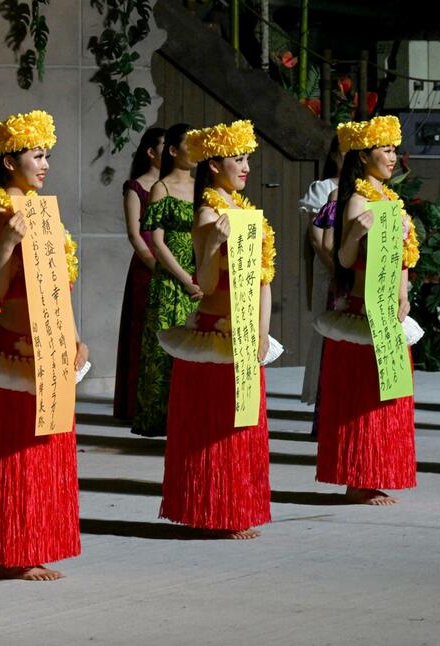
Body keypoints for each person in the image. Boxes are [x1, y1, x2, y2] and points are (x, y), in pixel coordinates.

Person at [0, 110, 84, 580]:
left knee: (44, 448)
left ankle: (36, 540)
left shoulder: (45, 212)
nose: (45, 164)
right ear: (8, 162)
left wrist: (74, 337)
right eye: (36, 155)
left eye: (47, 155)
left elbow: (57, 288)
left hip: (50, 345)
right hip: (11, 347)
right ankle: (11, 545)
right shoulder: (0, 214)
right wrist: (5, 243)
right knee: (15, 451)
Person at [157, 119, 277, 537]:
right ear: (213, 166)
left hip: (246, 333)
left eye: (247, 159)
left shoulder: (247, 212)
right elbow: (204, 285)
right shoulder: (208, 213)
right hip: (214, 330)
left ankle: (237, 505)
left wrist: (263, 331)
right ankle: (210, 508)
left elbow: (265, 279)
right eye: (237, 159)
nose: (245, 168)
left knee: (242, 422)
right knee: (215, 422)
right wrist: (209, 244)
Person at [314, 116, 421, 505]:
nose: (394, 157)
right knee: (364, 396)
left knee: (388, 395)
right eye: (387, 149)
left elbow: (404, 257)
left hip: (392, 312)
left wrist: (405, 293)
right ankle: (357, 478)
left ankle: (378, 471)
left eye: (394, 149)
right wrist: (356, 232)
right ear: (364, 155)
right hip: (363, 309)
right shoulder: (356, 200)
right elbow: (343, 259)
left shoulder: (392, 200)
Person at [132, 123, 202, 437]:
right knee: (164, 351)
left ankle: (191, 417)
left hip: (201, 277)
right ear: (173, 151)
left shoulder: (204, 187)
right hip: (172, 280)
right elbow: (156, 242)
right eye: (191, 145)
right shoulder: (161, 188)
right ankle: (160, 420)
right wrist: (186, 279)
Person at [113, 127, 165, 420]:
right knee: (142, 336)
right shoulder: (136, 187)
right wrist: (156, 265)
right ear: (150, 152)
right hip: (147, 267)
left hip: (177, 266)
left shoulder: (175, 184)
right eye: (165, 146)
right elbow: (135, 235)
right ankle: (136, 405)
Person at [300, 135, 342, 406]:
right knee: (326, 326)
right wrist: (337, 270)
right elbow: (317, 239)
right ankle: (322, 397)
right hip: (329, 267)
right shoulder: (324, 188)